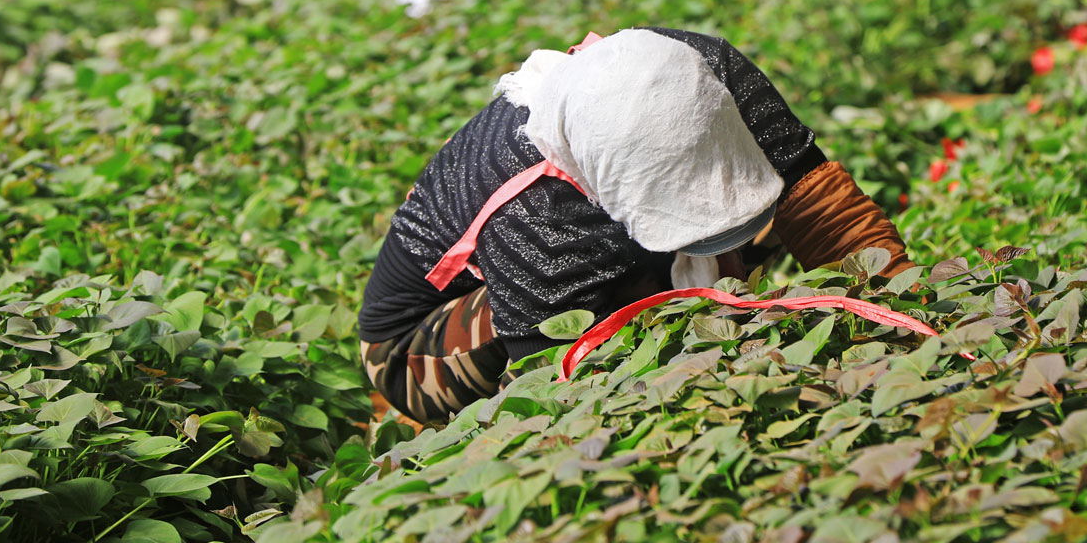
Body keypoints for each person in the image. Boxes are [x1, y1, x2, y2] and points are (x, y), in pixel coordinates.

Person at [357, 28, 913, 425]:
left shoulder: (708, 66)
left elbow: (822, 207)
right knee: (622, 322)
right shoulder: (536, 212)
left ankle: (672, 280)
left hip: (608, 248)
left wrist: (905, 317)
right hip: (414, 346)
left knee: (786, 205)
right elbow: (556, 387)